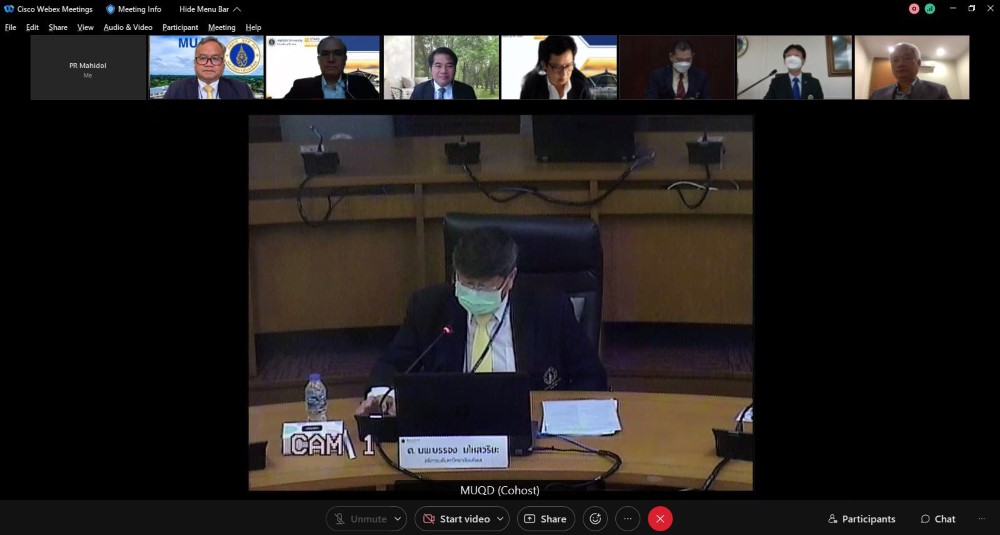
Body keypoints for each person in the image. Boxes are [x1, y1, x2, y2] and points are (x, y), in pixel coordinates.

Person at [355, 227, 608, 416]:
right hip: (450, 427)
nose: (474, 293)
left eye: (484, 286)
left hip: (527, 425)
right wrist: (381, 396)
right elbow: (392, 363)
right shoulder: (429, 306)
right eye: (467, 284)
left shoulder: (549, 308)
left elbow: (591, 377)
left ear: (510, 278)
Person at [283, 36, 379, 99]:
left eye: (337, 53)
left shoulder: (363, 85)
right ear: (319, 60)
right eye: (325, 54)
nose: (331, 59)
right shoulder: (301, 87)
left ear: (345, 59)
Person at [163, 37, 255, 100]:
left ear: (223, 64)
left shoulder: (243, 90)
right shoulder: (175, 90)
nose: (209, 64)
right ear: (195, 63)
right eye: (203, 58)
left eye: (215, 58)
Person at [519, 35, 593, 100]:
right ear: (544, 65)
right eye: (557, 67)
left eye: (568, 66)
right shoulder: (531, 89)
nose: (564, 74)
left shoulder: (582, 89)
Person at [869, 42, 951, 100]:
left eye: (906, 58)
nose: (900, 64)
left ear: (918, 63)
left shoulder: (938, 91)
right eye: (895, 59)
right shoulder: (877, 94)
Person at [644, 40, 711, 99]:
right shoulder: (658, 76)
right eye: (679, 60)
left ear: (692, 56)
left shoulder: (701, 76)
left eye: (688, 60)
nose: (684, 64)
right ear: (671, 57)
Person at [410, 47, 477, 100]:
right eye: (438, 66)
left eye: (449, 66)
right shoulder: (419, 90)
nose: (443, 71)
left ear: (455, 69)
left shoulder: (467, 91)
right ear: (431, 69)